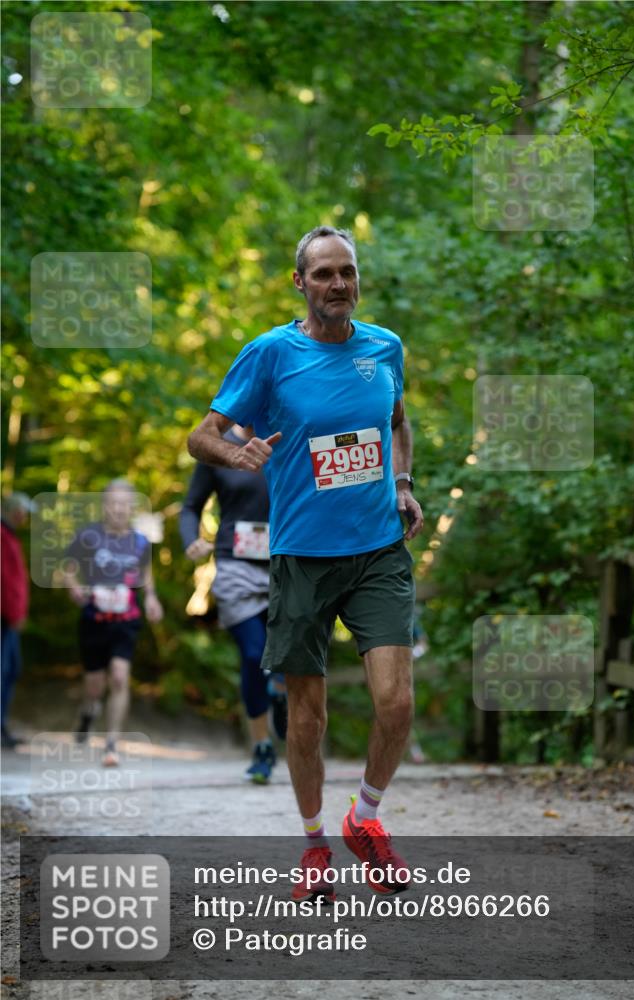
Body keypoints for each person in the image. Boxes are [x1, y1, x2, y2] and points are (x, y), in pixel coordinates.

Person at [188, 226, 424, 898]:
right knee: (308, 714)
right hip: (300, 558)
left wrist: (403, 484)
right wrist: (237, 454)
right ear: (299, 282)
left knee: (396, 702)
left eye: (346, 272)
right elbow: (199, 436)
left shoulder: (384, 347)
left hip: (378, 547)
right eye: (322, 273)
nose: (337, 284)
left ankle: (366, 818)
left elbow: (397, 419)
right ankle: (315, 844)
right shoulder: (269, 354)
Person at [179, 425, 287, 784]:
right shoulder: (220, 447)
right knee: (254, 655)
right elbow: (190, 507)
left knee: (287, 654)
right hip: (235, 567)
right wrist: (190, 540)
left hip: (286, 565)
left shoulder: (290, 437)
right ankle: (261, 747)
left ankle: (281, 690)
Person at [63, 480, 163, 766]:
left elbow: (146, 573)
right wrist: (74, 587)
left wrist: (152, 598)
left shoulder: (140, 541)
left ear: (131, 507)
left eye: (124, 503)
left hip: (126, 618)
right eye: (113, 503)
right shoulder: (88, 536)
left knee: (119, 676)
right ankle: (87, 713)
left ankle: (111, 744)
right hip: (94, 616)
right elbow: (68, 571)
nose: (118, 509)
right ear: (105, 505)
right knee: (94, 685)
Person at [1, 493, 34, 749]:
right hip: (5, 618)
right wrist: (13, 615)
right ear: (15, 511)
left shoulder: (10, 536)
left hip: (11, 618)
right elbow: (5, 581)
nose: (25, 517)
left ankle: (2, 725)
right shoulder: (2, 536)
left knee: (11, 670)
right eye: (23, 512)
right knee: (3, 671)